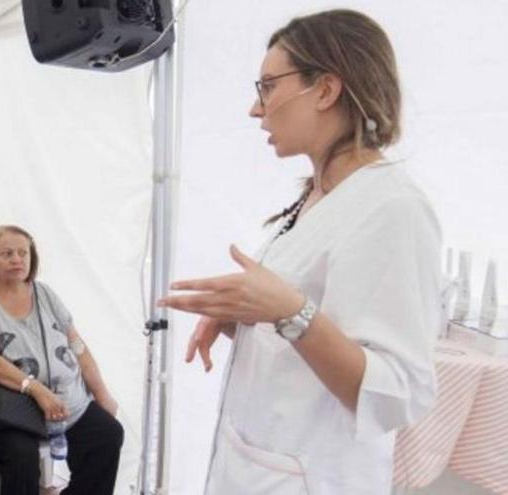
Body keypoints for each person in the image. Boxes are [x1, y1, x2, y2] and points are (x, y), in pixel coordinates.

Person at [158, 10, 442, 495]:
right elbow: (310, 320)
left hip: (313, 477)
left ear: (326, 90)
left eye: (268, 86)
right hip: (258, 461)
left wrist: (289, 312)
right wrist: (243, 316)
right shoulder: (321, 196)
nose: (256, 108)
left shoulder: (392, 209)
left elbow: (396, 392)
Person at [0, 225, 123, 495]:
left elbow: (77, 345)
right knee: (21, 458)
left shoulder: (45, 293)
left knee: (108, 434)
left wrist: (102, 393)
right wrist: (36, 389)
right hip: (16, 408)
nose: (17, 259)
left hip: (68, 403)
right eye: (7, 253)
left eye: (23, 253)